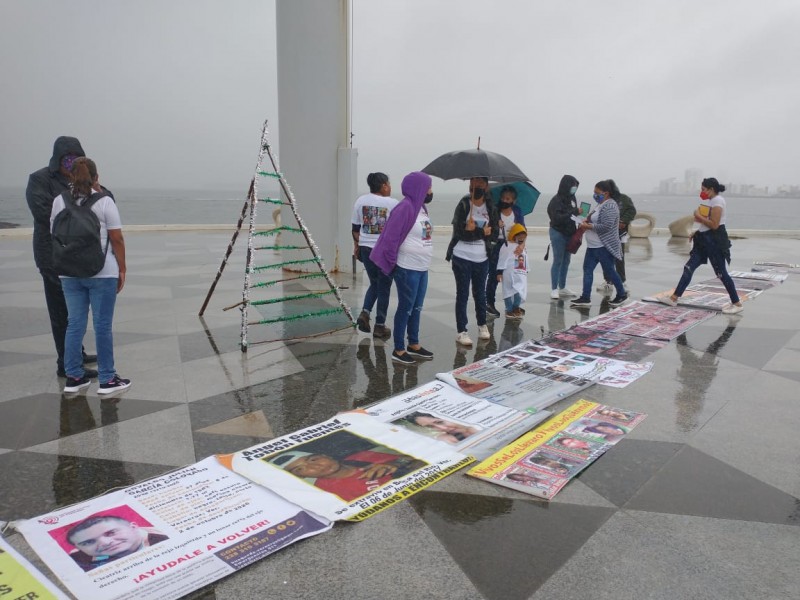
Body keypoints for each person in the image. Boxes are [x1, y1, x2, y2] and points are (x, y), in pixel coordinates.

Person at [51, 158, 131, 394]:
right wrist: (123, 268)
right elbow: (117, 239)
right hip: (102, 272)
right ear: (96, 177)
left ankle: (74, 377)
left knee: (74, 324)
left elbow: (53, 233)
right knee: (102, 325)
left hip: (68, 272)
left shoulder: (59, 201)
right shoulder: (105, 201)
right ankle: (107, 379)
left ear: (70, 176)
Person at [26, 136, 98, 378]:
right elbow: (44, 214)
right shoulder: (40, 179)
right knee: (60, 311)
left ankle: (76, 352)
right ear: (57, 159)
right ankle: (65, 363)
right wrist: (77, 217)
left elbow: (93, 208)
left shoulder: (80, 181)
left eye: (75, 159)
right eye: (66, 159)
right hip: (52, 256)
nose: (71, 164)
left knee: (75, 308)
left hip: (76, 255)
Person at [371, 172, 435, 364]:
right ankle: (398, 349)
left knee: (417, 307)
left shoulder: (421, 208)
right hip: (407, 268)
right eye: (429, 187)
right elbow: (390, 239)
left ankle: (413, 344)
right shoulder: (404, 208)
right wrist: (392, 266)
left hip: (422, 267)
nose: (431, 191)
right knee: (406, 308)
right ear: (419, 188)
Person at [659, 178, 743, 315]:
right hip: (703, 241)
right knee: (689, 267)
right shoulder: (711, 201)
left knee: (721, 273)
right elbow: (707, 224)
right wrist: (697, 232)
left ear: (711, 189)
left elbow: (715, 225)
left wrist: (698, 215)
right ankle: (674, 298)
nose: (702, 192)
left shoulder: (718, 201)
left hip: (714, 242)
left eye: (704, 189)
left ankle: (736, 303)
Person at [445, 177, 499, 346]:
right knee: (462, 294)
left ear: (486, 186)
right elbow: (459, 231)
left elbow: (495, 233)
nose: (477, 186)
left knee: (480, 293)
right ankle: (462, 330)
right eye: (474, 183)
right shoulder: (463, 204)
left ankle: (482, 324)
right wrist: (480, 231)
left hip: (482, 258)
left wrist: (479, 232)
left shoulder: (490, 207)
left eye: (481, 183)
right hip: (462, 256)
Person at [267, 448, 425, 502]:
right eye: (300, 469)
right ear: (300, 477)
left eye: (313, 459)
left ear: (325, 455)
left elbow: (422, 461)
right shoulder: (326, 493)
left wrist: (397, 464)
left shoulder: (360, 457)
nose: (314, 466)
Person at [351, 172, 398, 339]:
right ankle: (379, 325)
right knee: (384, 286)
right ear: (384, 185)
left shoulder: (360, 201)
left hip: (366, 249)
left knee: (375, 283)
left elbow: (355, 229)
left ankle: (365, 313)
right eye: (389, 184)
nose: (390, 187)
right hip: (384, 250)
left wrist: (358, 246)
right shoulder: (393, 204)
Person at [570, 180, 628, 308]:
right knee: (588, 270)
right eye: (594, 192)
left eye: (597, 193)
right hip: (592, 246)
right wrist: (586, 220)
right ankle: (585, 297)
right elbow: (594, 218)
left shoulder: (611, 206)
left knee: (610, 271)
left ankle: (622, 294)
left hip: (603, 246)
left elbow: (606, 226)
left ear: (606, 193)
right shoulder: (600, 204)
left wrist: (588, 226)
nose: (595, 195)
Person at [66, 515, 168, 572]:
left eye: (111, 533)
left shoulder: (165, 538)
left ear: (133, 527)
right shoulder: (76, 561)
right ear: (78, 547)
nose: (105, 543)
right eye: (88, 542)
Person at [486, 185, 526, 317]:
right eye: (503, 198)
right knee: (494, 275)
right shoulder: (495, 210)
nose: (505, 200)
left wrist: (522, 245)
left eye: (508, 198)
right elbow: (487, 228)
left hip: (513, 246)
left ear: (513, 201)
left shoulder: (517, 211)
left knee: (515, 274)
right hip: (497, 246)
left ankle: (515, 305)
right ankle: (489, 303)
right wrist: (496, 225)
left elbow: (523, 231)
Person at [598, 180, 636, 295]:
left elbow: (632, 211)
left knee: (619, 258)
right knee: (606, 258)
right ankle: (608, 281)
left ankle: (623, 281)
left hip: (620, 234)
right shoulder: (604, 200)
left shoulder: (624, 199)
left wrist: (624, 221)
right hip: (607, 234)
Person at [547, 175, 581, 300]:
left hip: (570, 233)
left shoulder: (572, 198)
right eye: (573, 186)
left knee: (567, 260)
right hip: (558, 233)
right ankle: (554, 288)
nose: (574, 189)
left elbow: (572, 216)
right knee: (558, 260)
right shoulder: (555, 200)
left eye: (576, 187)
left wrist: (579, 219)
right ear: (566, 186)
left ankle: (563, 286)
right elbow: (557, 218)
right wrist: (574, 212)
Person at [496, 223, 528, 319]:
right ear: (514, 235)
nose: (521, 239)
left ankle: (516, 307)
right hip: (508, 273)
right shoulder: (506, 246)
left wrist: (526, 270)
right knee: (508, 291)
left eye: (523, 237)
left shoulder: (522, 247)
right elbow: (502, 259)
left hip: (519, 273)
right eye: (519, 236)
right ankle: (509, 309)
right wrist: (499, 272)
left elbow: (525, 258)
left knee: (518, 290)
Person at [401, 411, 478, 443]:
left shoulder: (475, 424)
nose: (442, 429)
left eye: (440, 422)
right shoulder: (445, 438)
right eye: (430, 426)